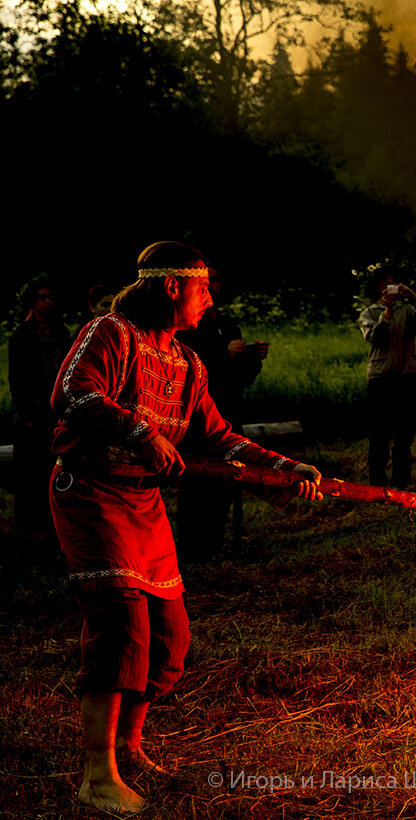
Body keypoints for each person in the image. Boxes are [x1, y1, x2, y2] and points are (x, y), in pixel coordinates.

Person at [49, 241, 322, 814]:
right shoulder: (110, 332)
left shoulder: (188, 363)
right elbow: (72, 395)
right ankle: (96, 774)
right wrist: (140, 433)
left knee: (169, 637)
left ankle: (130, 744)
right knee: (122, 624)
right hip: (93, 493)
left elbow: (218, 437)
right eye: (203, 289)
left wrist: (282, 466)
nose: (210, 300)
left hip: (143, 504)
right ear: (172, 287)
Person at [175, 264, 269, 560]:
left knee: (226, 478)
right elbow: (188, 367)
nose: (210, 288)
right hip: (197, 416)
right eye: (204, 282)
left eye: (213, 281)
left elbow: (238, 378)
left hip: (227, 410)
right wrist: (223, 353)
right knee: (196, 480)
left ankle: (215, 542)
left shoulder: (226, 324)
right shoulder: (187, 326)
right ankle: (193, 546)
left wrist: (252, 359)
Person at [357, 265, 416, 488]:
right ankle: (377, 483)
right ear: (378, 289)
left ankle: (402, 483)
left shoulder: (408, 311)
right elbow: (374, 337)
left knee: (403, 433)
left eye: (392, 285)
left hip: (406, 376)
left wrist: (414, 296)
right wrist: (386, 315)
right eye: (384, 286)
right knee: (378, 432)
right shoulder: (369, 313)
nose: (389, 289)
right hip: (380, 378)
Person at [8, 276, 72, 534]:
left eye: (50, 297)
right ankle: (28, 527)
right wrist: (25, 410)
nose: (47, 303)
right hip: (32, 410)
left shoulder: (61, 331)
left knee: (53, 468)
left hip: (56, 409)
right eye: (41, 298)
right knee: (29, 472)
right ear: (31, 302)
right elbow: (17, 377)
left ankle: (52, 525)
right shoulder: (22, 335)